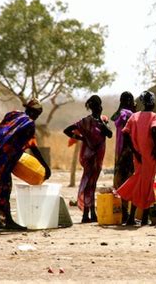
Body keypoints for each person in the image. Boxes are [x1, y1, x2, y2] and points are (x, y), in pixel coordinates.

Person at [0, 99, 51, 230]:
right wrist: (45, 166)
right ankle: (8, 221)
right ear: (33, 112)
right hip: (4, 163)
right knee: (4, 190)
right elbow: (33, 147)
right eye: (37, 114)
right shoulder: (29, 124)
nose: (36, 117)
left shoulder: (12, 115)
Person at [64, 95, 113, 223]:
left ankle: (89, 213)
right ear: (97, 106)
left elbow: (109, 134)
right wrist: (81, 138)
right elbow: (67, 130)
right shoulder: (86, 121)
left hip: (95, 157)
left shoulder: (101, 120)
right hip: (91, 157)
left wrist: (82, 138)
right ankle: (88, 213)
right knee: (90, 184)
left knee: (91, 183)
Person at [117, 91, 156, 226]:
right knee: (147, 184)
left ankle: (132, 217)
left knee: (138, 182)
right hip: (150, 156)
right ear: (153, 103)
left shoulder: (134, 116)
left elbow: (125, 133)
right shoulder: (154, 116)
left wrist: (134, 151)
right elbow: (154, 130)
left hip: (138, 157)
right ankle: (144, 217)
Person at [111, 91, 135, 223]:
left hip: (118, 151)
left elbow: (113, 117)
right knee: (129, 181)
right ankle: (127, 214)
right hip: (128, 151)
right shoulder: (129, 114)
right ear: (130, 101)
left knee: (120, 181)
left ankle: (123, 212)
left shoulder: (120, 113)